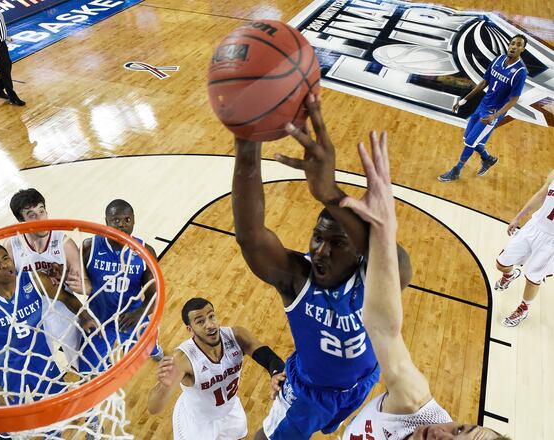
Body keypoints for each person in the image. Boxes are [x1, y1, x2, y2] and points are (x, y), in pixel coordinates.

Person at [232, 94, 412, 439]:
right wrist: (247, 141)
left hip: (363, 384)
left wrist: (330, 193)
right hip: (308, 393)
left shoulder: (375, 276)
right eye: (317, 237)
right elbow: (250, 236)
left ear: (357, 250)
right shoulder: (297, 279)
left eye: (337, 243)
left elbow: (392, 257)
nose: (320, 251)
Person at [338, 128, 510, 440]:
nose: (440, 434)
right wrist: (384, 228)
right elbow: (381, 327)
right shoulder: (415, 405)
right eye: (460, 428)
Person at [0, 243, 91, 406]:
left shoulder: (36, 280)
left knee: (59, 412)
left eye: (5, 259)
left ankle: (82, 422)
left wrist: (86, 317)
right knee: (17, 427)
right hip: (7, 371)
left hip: (41, 360)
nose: (4, 265)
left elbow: (67, 298)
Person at [146, 298, 286, 439]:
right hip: (197, 423)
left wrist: (276, 372)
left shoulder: (236, 336)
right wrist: (164, 387)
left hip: (230, 410)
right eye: (200, 321)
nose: (210, 325)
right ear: (190, 329)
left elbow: (269, 357)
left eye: (211, 316)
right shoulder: (183, 359)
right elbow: (153, 408)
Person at [4, 188, 91, 370]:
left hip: (65, 308)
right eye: (31, 215)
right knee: (39, 368)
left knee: (80, 362)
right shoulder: (12, 247)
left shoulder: (64, 243)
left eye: (41, 211)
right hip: (33, 316)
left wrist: (73, 282)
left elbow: (87, 288)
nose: (40, 219)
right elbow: (8, 291)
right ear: (21, 221)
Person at [79, 199, 163, 373]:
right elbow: (78, 279)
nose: (122, 225)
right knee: (88, 371)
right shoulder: (90, 247)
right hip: (99, 320)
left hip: (132, 317)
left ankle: (153, 349)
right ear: (106, 222)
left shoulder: (145, 252)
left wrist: (140, 313)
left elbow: (155, 295)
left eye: (127, 220)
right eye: (116, 220)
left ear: (133, 220)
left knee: (149, 345)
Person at [438, 35, 528, 182]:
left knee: (470, 143)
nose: (514, 47)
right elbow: (484, 82)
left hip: (492, 114)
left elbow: (514, 99)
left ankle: (456, 170)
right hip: (482, 106)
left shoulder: (520, 72)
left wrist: (496, 116)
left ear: (522, 49)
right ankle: (488, 159)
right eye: (512, 43)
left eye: (518, 45)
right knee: (468, 138)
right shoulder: (498, 59)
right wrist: (464, 100)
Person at [493, 169, 554, 327]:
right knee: (501, 264)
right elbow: (541, 195)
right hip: (534, 227)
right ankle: (510, 275)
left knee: (533, 278)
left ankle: (523, 308)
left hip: (551, 241)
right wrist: (518, 217)